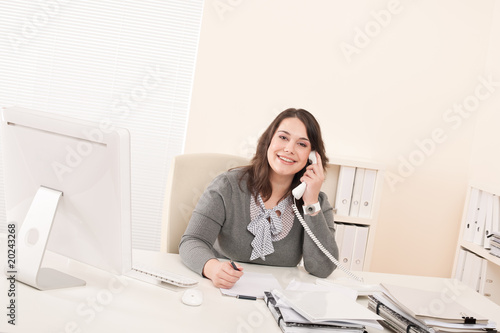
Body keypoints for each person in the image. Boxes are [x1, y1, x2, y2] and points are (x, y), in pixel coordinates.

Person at [179, 108, 338, 288]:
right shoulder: (228, 186)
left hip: (279, 300)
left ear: (312, 157)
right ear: (268, 140)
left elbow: (323, 268)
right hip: (222, 290)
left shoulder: (317, 202)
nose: (289, 149)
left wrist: (311, 204)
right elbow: (192, 241)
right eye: (283, 137)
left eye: (302, 144)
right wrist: (213, 268)